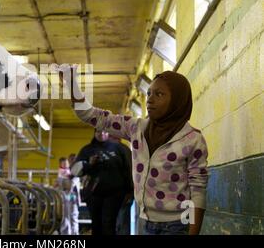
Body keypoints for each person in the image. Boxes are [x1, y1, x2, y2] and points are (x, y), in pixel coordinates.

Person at [62, 66, 209, 235]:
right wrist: (70, 81)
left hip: (178, 224)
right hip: (146, 221)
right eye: (149, 94)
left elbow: (198, 191)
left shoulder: (193, 139)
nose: (150, 100)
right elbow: (90, 115)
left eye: (159, 94)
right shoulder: (136, 128)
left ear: (177, 100)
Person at [71, 130, 133, 235]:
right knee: (96, 224)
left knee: (109, 223)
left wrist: (130, 190)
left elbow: (128, 169)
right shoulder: (87, 150)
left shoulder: (119, 148)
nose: (102, 134)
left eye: (104, 131)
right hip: (93, 193)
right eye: (98, 131)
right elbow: (75, 171)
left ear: (108, 133)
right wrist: (89, 164)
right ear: (94, 133)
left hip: (115, 193)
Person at [68, 154, 81, 235]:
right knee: (67, 218)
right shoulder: (67, 170)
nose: (73, 161)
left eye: (74, 159)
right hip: (66, 196)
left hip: (73, 197)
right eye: (71, 159)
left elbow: (71, 184)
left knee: (73, 217)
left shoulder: (77, 170)